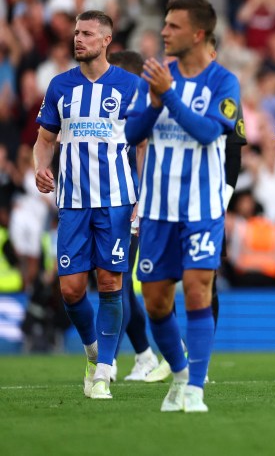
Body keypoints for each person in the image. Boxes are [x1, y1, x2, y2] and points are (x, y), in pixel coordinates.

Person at [125, 0, 241, 412]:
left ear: (197, 34)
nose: (164, 32)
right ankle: (177, 375)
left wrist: (168, 97)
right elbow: (131, 132)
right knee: (155, 301)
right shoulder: (154, 76)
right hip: (157, 207)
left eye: (173, 26)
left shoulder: (223, 81)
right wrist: (156, 101)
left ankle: (195, 387)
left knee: (197, 289)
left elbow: (209, 132)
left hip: (202, 206)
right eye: (165, 24)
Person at [33, 10, 141, 399]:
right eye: (76, 33)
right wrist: (41, 169)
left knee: (111, 282)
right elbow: (45, 140)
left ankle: (104, 371)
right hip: (73, 202)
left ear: (107, 40)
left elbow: (142, 146)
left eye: (87, 34)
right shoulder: (60, 86)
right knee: (72, 291)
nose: (78, 39)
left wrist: (141, 198)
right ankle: (94, 351)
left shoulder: (130, 86)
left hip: (115, 201)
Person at [106, 49, 160, 382]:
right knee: (120, 282)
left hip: (134, 205)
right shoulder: (120, 110)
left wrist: (143, 199)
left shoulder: (145, 110)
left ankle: (107, 358)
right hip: (111, 202)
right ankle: (144, 356)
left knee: (119, 280)